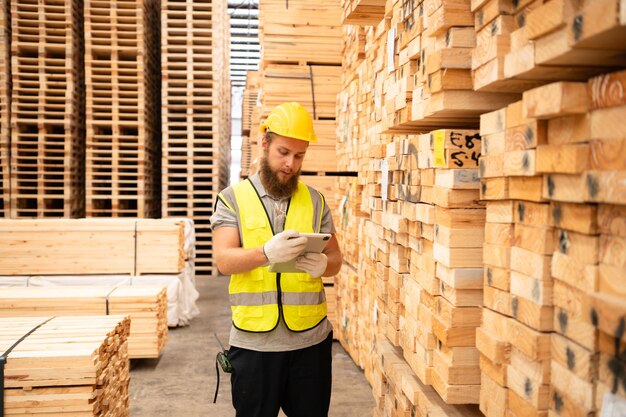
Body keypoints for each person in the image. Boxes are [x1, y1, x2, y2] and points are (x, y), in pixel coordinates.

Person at [210, 101, 343, 417]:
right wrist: (264, 254)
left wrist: (326, 265)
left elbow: (336, 256)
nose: (291, 164)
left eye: (299, 156)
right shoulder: (233, 199)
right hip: (256, 345)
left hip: (310, 342)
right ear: (265, 143)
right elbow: (224, 260)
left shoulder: (315, 200)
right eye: (284, 152)